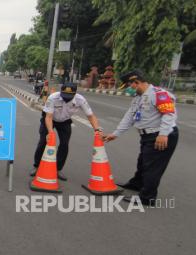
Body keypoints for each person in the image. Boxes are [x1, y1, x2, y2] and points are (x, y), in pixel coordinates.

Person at [103, 69, 179, 206]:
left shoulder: (158, 94)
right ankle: (137, 183)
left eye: (129, 86)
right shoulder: (138, 98)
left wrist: (163, 134)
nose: (128, 89)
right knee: (143, 161)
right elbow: (129, 117)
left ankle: (147, 197)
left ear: (136, 82)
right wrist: (116, 134)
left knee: (152, 167)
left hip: (160, 135)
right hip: (147, 136)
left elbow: (169, 114)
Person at [31, 83, 103, 180]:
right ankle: (37, 166)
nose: (66, 98)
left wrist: (97, 129)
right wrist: (50, 132)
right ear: (61, 92)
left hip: (64, 121)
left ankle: (57, 169)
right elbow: (48, 117)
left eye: (69, 96)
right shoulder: (53, 97)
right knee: (43, 141)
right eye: (64, 95)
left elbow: (90, 116)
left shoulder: (80, 100)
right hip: (49, 119)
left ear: (75, 93)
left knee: (64, 144)